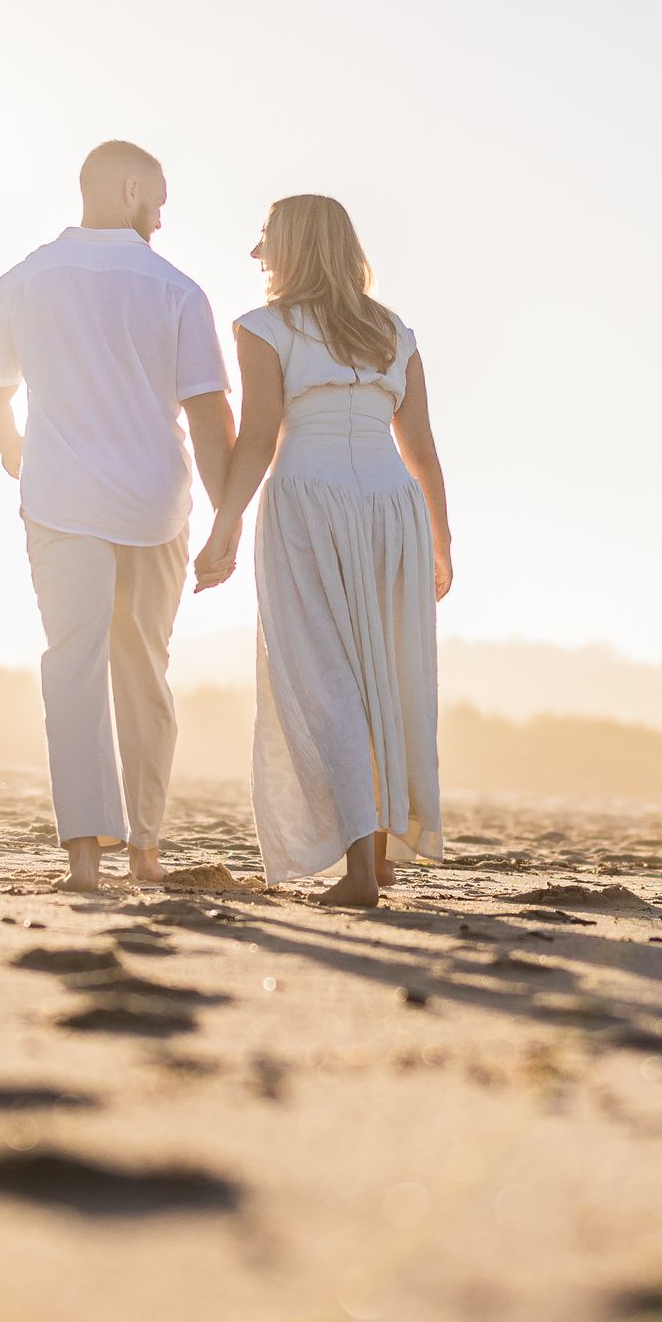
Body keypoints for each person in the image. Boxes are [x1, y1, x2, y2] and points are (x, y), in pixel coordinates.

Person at [0, 142, 234, 891]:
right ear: (129, 190)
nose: (161, 216)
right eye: (158, 199)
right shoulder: (176, 289)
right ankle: (146, 851)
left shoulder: (24, 280)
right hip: (156, 507)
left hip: (61, 503)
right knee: (145, 671)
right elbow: (210, 416)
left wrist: (17, 453)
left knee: (73, 668)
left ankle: (85, 861)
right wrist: (226, 522)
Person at [193, 193, 450, 908]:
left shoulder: (264, 327)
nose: (256, 254)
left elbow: (258, 436)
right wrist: (441, 537)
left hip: (308, 498)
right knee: (384, 677)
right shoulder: (394, 331)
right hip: (392, 505)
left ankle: (359, 873)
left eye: (265, 238)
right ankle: (379, 855)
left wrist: (224, 526)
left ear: (296, 246)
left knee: (324, 681)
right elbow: (420, 446)